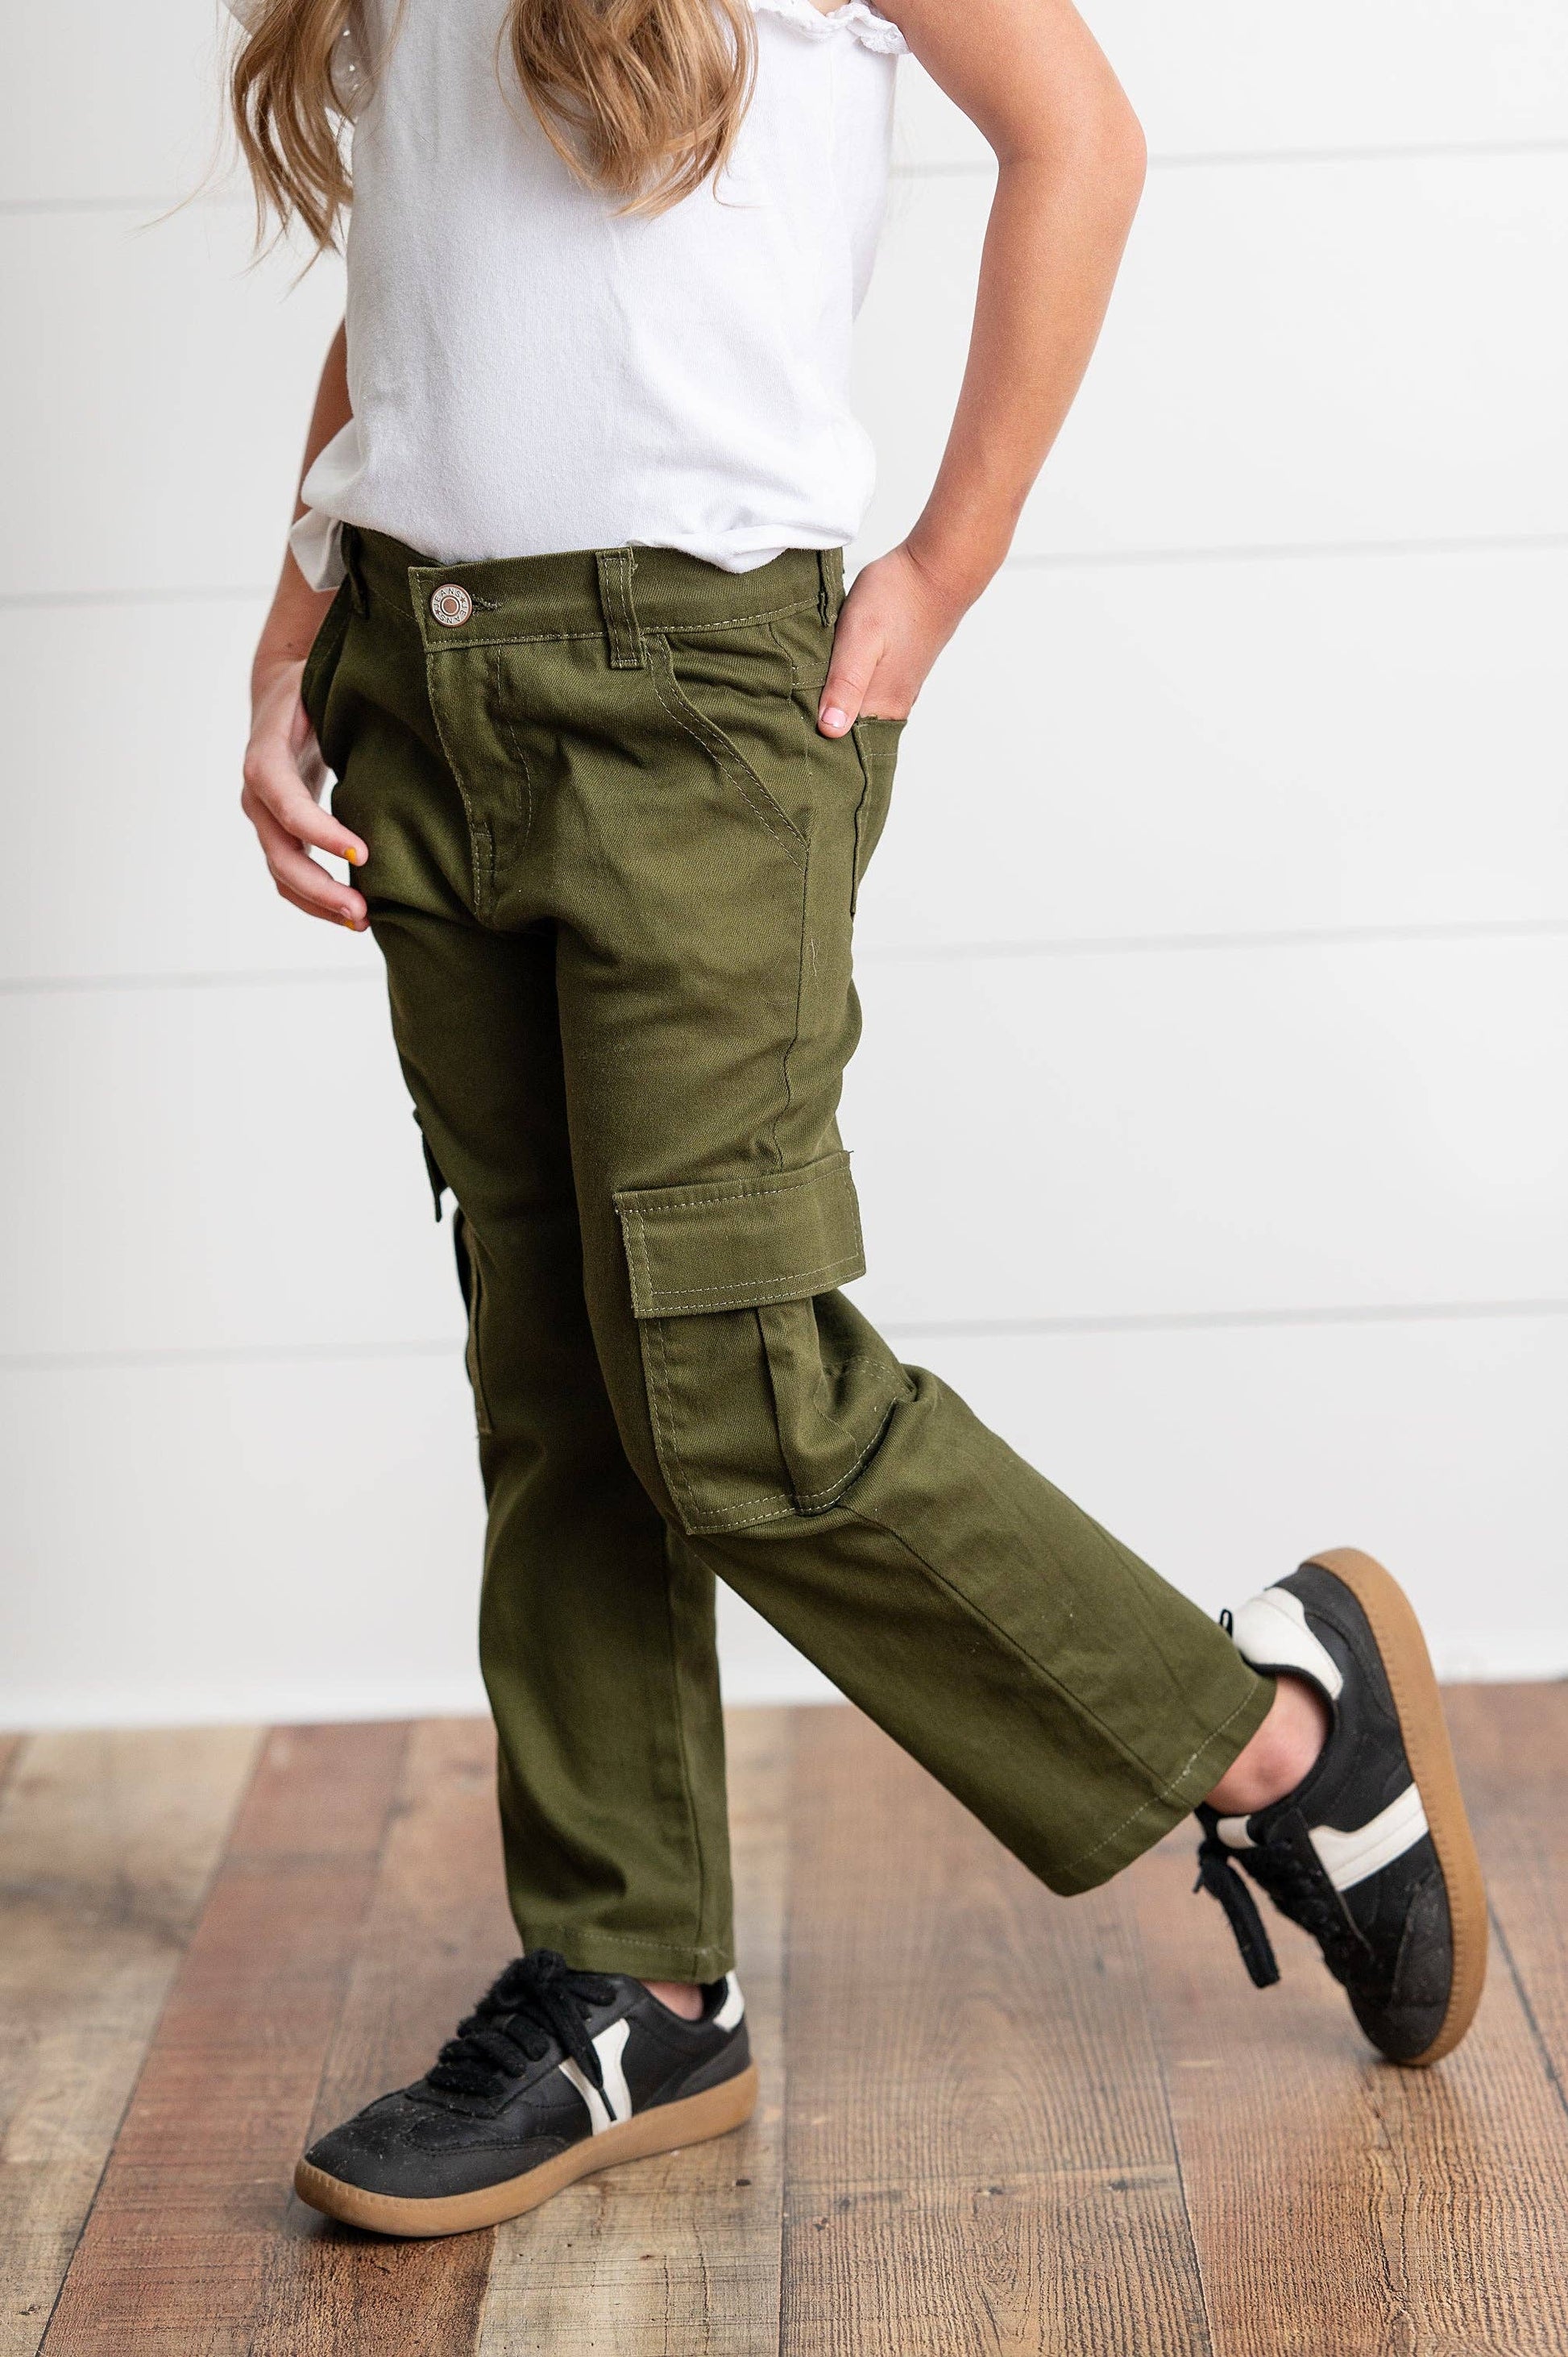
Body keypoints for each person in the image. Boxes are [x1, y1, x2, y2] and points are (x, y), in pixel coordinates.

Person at [231, 0, 1487, 2241]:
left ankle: (1276, 1733)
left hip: (703, 696)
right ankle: (636, 1979)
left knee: (735, 1382)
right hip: (419, 672)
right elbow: (418, 292)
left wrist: (944, 564)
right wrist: (289, 626)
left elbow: (1077, 134)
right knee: (558, 1365)